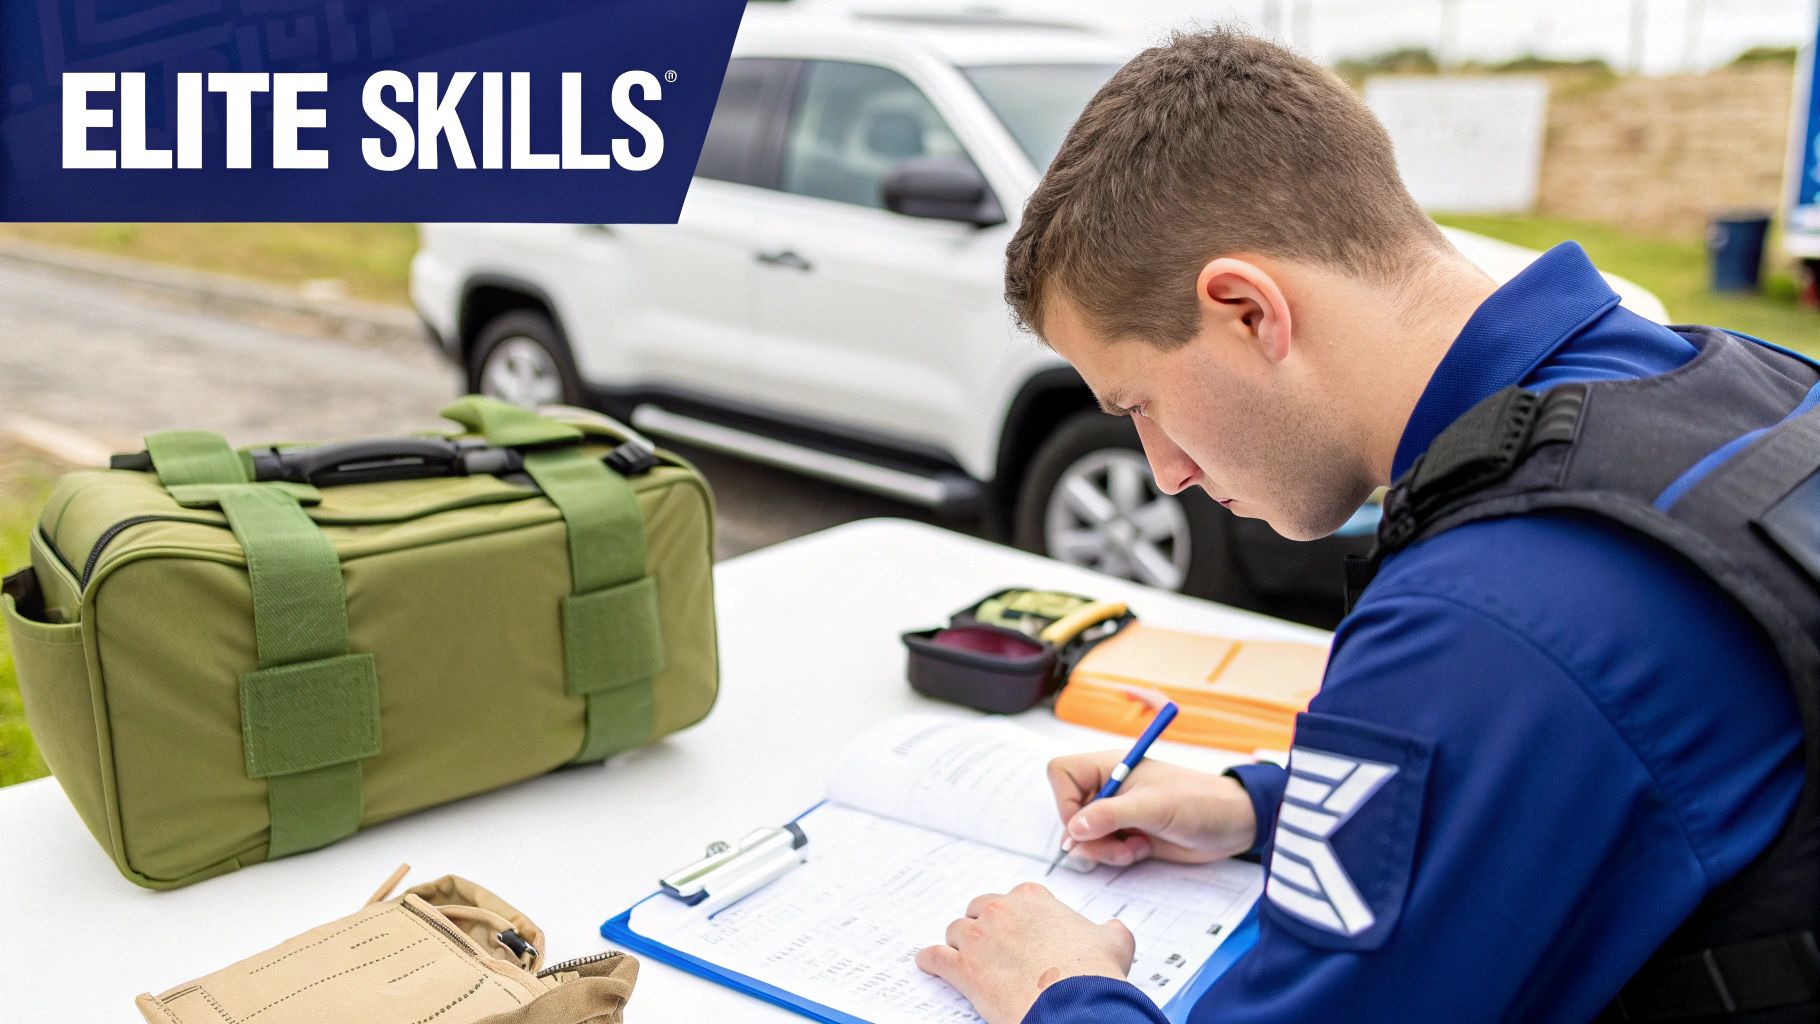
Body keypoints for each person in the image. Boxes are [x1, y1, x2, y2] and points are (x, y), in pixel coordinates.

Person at [912, 28, 1817, 1024]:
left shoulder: (1482, 613)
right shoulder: (1741, 378)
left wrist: (1057, 987)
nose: (1163, 472)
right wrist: (1268, 805)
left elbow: (1521, 682)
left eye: (1140, 403)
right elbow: (1591, 765)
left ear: (1248, 311)